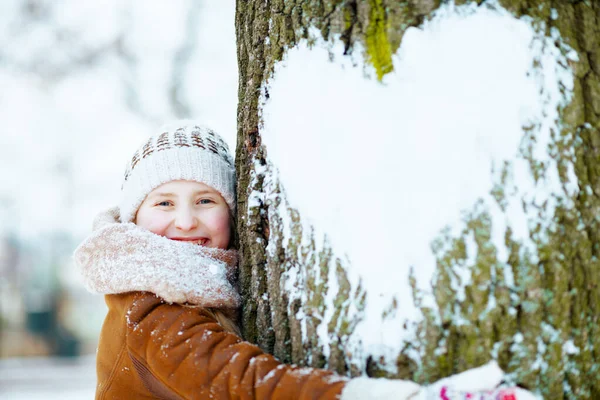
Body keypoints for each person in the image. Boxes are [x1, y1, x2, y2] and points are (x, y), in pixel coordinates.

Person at [74, 122, 537, 400]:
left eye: (205, 199)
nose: (186, 220)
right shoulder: (151, 308)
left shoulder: (204, 285)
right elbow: (240, 383)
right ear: (134, 216)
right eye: (164, 203)